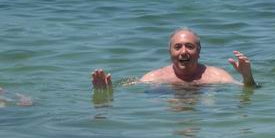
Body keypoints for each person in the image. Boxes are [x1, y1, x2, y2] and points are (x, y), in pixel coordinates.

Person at [91, 28, 256, 88]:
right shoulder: (154, 77)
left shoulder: (216, 76)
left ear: (199, 52)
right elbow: (130, 88)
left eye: (189, 46)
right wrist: (105, 93)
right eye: (178, 47)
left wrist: (248, 77)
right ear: (170, 52)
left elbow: (247, 91)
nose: (183, 52)